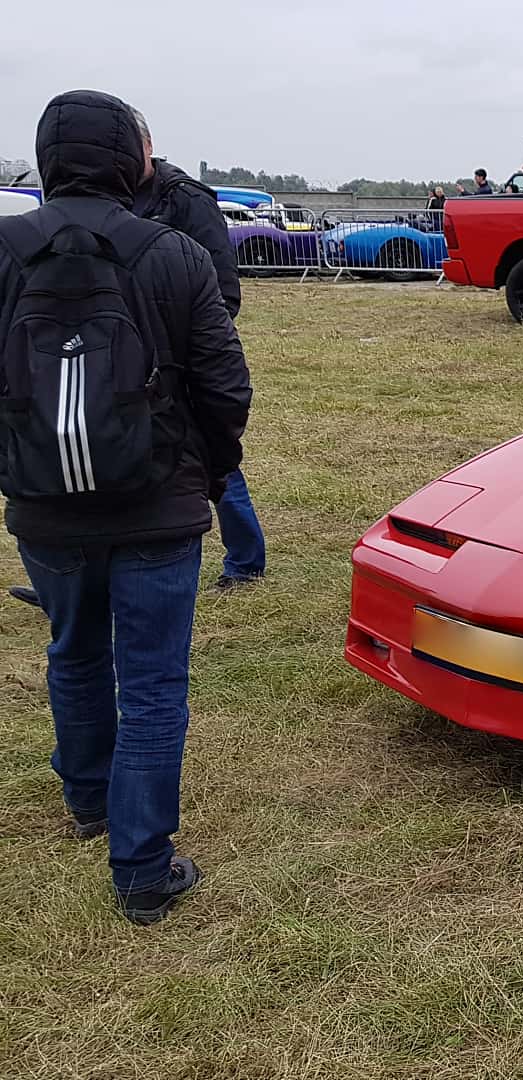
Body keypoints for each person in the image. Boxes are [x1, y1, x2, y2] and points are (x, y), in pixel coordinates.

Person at [0, 90, 252, 924]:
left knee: (73, 651)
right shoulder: (173, 253)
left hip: (44, 508)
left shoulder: (5, 250)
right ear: (131, 159)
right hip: (158, 505)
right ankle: (141, 870)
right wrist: (211, 479)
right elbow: (225, 386)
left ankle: (87, 802)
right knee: (151, 685)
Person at [8, 107, 264, 612]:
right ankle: (66, 578)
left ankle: (244, 558)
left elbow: (218, 285)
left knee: (208, 453)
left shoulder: (186, 200)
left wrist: (188, 339)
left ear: (144, 148)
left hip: (173, 359)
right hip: (85, 361)